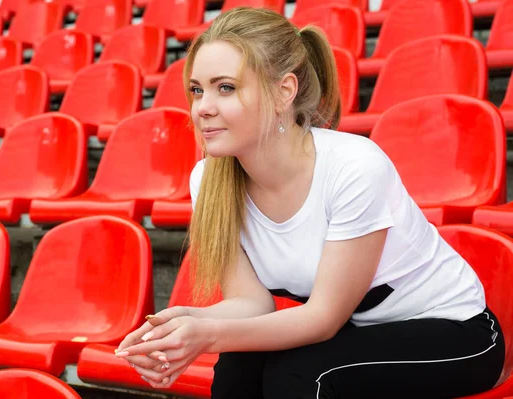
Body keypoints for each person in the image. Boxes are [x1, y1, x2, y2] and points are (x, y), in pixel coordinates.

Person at [114, 7, 505, 398]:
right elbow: (251, 303)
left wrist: (207, 335)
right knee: (241, 359)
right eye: (197, 89)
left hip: (454, 331)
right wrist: (181, 324)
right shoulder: (207, 180)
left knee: (301, 374)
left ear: (284, 91)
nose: (203, 107)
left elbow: (323, 319)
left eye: (226, 88)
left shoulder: (354, 165)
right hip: (356, 331)